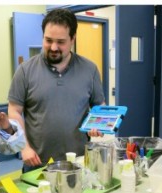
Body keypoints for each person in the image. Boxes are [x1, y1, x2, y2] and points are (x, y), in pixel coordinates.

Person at [8, 8, 105, 171]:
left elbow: (99, 106)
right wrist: (24, 147)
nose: (53, 47)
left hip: (79, 161)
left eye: (60, 42)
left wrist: (99, 125)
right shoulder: (25, 70)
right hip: (37, 163)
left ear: (72, 39)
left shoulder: (90, 69)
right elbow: (14, 111)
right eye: (48, 40)